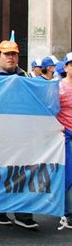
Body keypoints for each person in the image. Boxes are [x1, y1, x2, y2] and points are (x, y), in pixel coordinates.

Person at [0, 40, 38, 229]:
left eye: (14, 54)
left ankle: (23, 214)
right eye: (6, 54)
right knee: (1, 174)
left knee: (24, 174)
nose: (10, 57)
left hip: (21, 134)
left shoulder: (26, 76)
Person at [57, 52, 72, 229]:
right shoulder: (58, 88)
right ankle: (68, 212)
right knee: (69, 175)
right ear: (66, 67)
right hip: (67, 137)